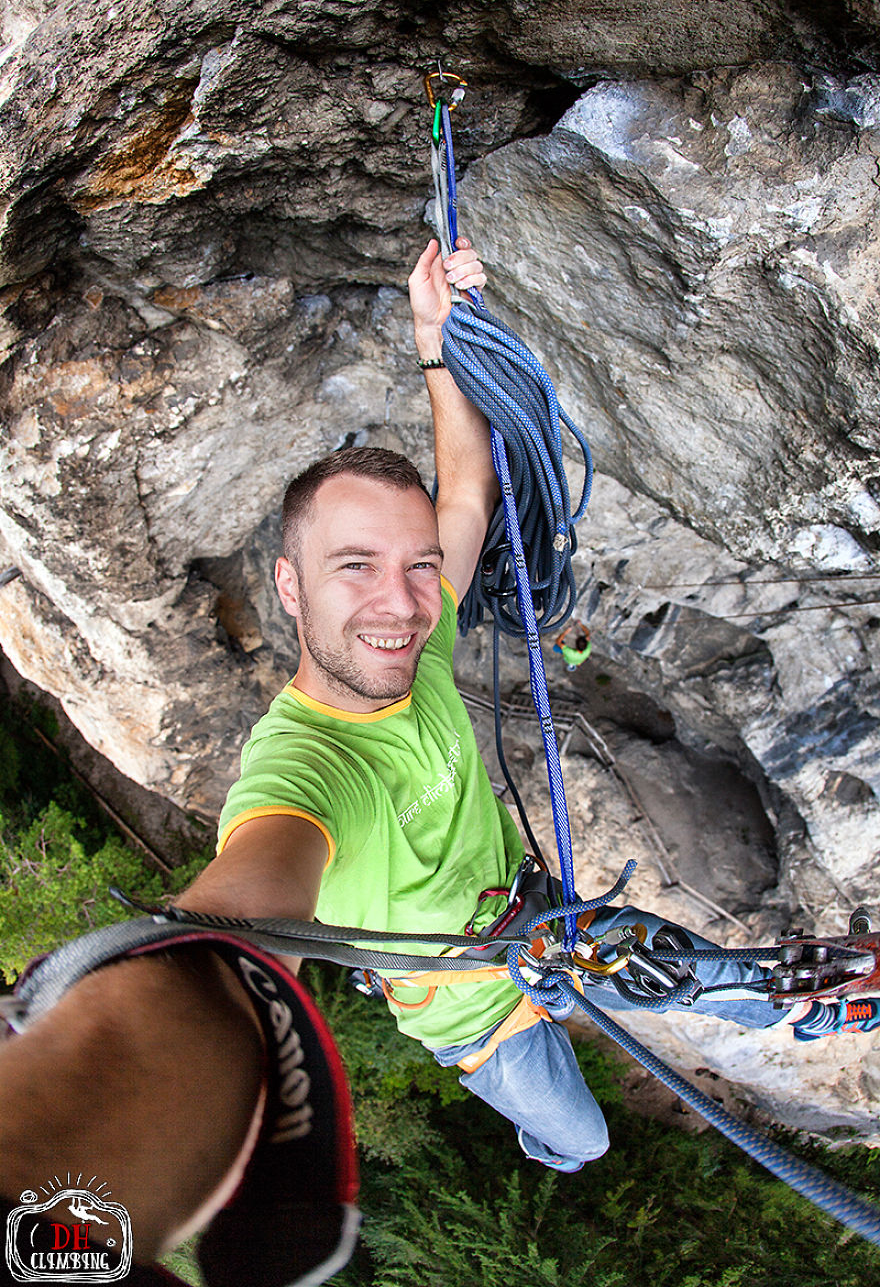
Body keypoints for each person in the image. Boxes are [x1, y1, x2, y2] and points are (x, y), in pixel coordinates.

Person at [0, 240, 877, 1275]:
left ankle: (814, 998)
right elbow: (227, 932)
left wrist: (431, 342)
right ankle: (543, 1132)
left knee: (692, 975)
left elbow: (464, 493)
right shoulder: (304, 774)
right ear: (289, 587)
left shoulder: (419, 634)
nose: (401, 600)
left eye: (418, 568)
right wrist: (58, 1163)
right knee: (583, 1140)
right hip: (471, 1009)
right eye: (354, 566)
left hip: (541, 919)